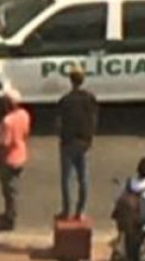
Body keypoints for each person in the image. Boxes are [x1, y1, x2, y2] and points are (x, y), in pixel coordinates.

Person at [57, 65, 98, 220]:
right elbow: (94, 120)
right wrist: (90, 137)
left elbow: (59, 123)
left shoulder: (64, 100)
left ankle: (66, 211)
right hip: (84, 141)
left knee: (67, 179)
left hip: (68, 142)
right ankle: (80, 211)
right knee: (83, 178)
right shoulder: (90, 99)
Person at [0, 87, 31, 231]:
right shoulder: (24, 114)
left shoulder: (7, 121)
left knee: (9, 190)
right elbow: (26, 133)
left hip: (9, 160)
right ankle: (10, 213)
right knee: (13, 187)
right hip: (21, 154)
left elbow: (5, 144)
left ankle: (10, 217)